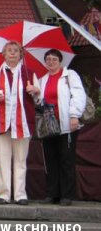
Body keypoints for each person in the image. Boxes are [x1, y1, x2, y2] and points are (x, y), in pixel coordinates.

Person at [0, 41, 41, 206]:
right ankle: (3, 194)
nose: (12, 53)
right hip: (1, 123)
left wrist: (36, 91)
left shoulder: (29, 73)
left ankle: (20, 194)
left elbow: (39, 99)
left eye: (16, 51)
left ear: (20, 54)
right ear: (3, 54)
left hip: (22, 123)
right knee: (2, 159)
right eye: (9, 50)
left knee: (21, 160)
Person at [39, 49, 86, 206]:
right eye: (48, 59)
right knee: (50, 160)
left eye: (54, 59)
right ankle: (52, 194)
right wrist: (35, 94)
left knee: (66, 159)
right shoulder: (42, 79)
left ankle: (67, 195)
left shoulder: (69, 76)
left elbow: (78, 95)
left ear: (60, 61)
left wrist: (74, 115)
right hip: (49, 126)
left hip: (66, 124)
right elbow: (40, 103)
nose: (51, 62)